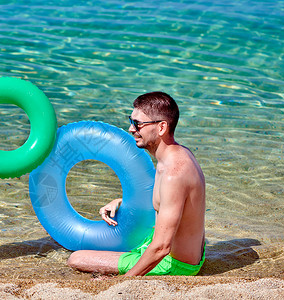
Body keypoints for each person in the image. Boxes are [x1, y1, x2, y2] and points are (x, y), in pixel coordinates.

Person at [67, 92, 206, 276]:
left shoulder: (175, 173)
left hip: (174, 264)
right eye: (131, 121)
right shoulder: (177, 154)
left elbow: (161, 248)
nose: (131, 129)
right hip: (179, 250)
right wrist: (122, 202)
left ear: (162, 127)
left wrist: (125, 281)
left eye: (137, 124)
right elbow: (169, 201)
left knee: (76, 258)